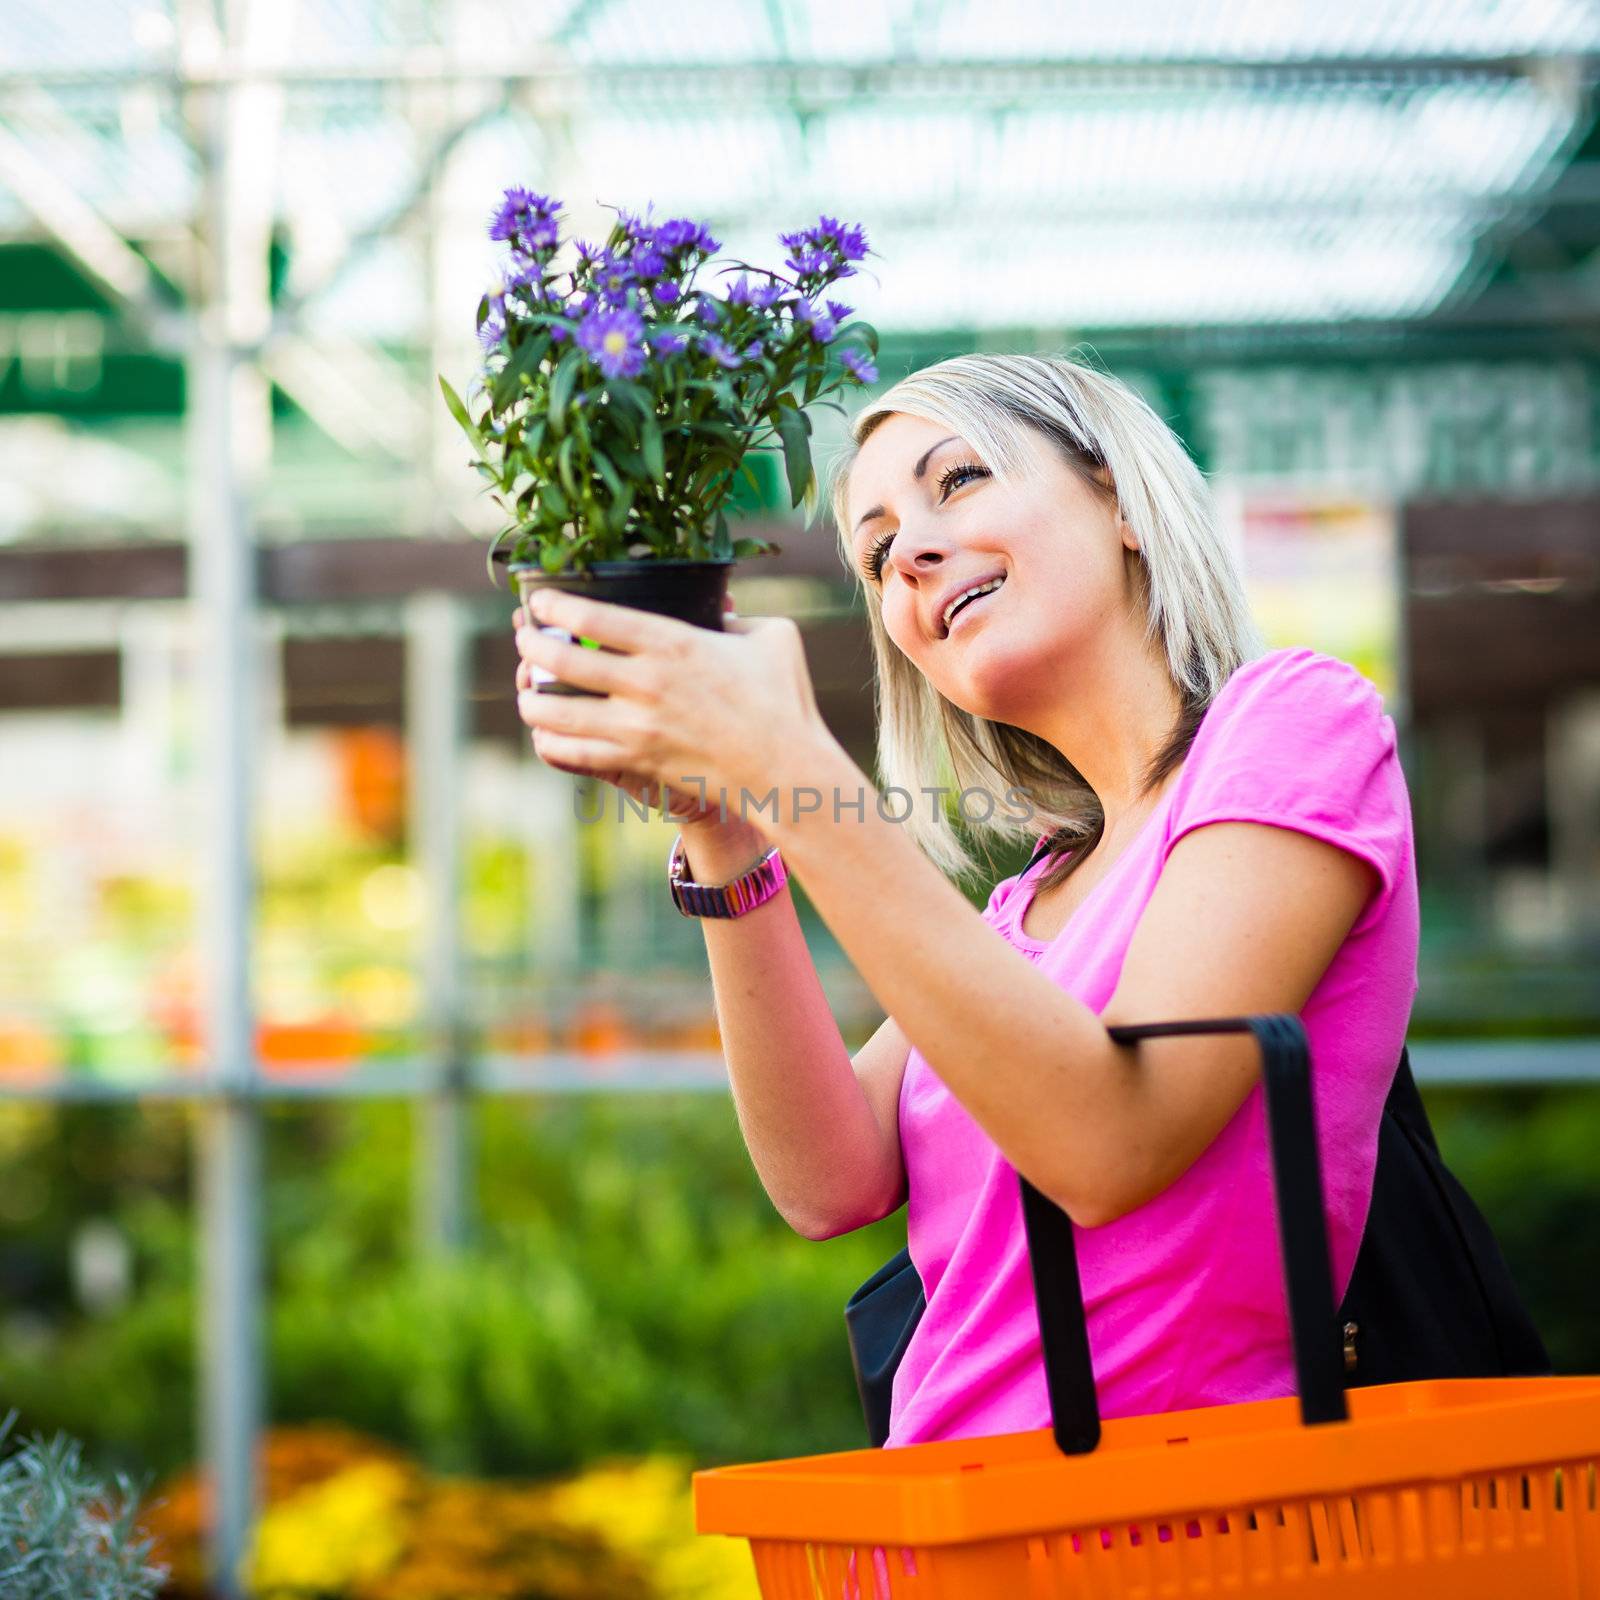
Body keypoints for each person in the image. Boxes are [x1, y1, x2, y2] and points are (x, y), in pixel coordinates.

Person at [511, 352, 1418, 1449]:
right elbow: (826, 1180)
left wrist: (789, 761)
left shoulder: (1293, 721)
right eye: (879, 551)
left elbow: (1107, 1146)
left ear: (1120, 501)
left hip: (1172, 1532)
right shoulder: (1027, 902)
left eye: (959, 481)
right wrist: (726, 821)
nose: (915, 555)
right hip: (949, 1518)